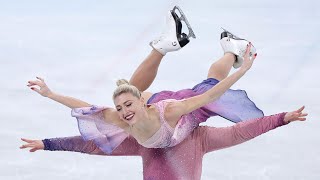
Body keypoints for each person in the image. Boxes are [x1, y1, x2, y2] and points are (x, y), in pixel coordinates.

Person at [26, 7, 262, 154]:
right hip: (155, 107)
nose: (122, 112)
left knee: (211, 83)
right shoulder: (122, 117)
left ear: (141, 104)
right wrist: (50, 94)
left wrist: (244, 70)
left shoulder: (172, 110)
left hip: (185, 111)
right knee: (127, 89)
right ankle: (165, 46)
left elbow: (209, 96)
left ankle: (231, 49)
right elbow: (82, 106)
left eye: (127, 106)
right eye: (119, 108)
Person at [20, 106, 308, 180]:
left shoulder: (200, 136)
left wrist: (283, 117)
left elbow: (241, 131)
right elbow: (95, 144)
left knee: (212, 82)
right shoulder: (144, 140)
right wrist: (47, 143)